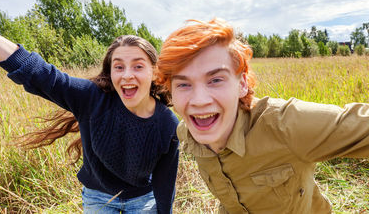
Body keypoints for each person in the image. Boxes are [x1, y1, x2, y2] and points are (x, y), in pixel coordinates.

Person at [0, 15, 179, 214]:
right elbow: (37, 73)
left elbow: (165, 183)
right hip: (98, 197)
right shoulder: (92, 98)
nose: (126, 75)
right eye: (119, 67)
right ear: (110, 72)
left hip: (142, 199)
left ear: (154, 73)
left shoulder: (167, 123)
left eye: (138, 66)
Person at [156, 18, 369, 214]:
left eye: (215, 80)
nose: (199, 100)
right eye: (183, 84)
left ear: (242, 84)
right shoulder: (186, 133)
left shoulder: (286, 125)